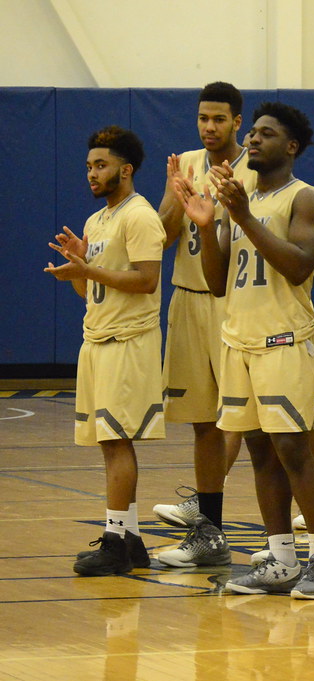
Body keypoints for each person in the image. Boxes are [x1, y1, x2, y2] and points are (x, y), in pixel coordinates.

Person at [153, 83, 314, 551]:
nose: (252, 140)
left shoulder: (299, 195)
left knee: (290, 445)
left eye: (263, 134)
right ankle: (278, 555)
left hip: (283, 335)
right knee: (254, 447)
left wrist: (241, 216)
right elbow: (213, 277)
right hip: (235, 326)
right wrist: (199, 217)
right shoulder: (219, 187)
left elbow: (297, 267)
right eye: (253, 133)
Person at [46, 126, 165, 576]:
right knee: (107, 443)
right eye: (89, 167)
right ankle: (131, 540)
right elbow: (88, 290)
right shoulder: (97, 222)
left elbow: (146, 280)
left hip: (128, 342)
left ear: (126, 169)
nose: (92, 174)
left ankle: (115, 543)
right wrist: (78, 268)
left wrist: (91, 268)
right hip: (96, 338)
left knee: (117, 442)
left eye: (101, 165)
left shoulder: (140, 216)